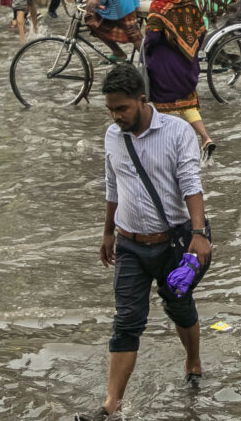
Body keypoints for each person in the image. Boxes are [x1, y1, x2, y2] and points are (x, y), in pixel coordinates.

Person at [74, 64, 212, 421]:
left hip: (173, 244)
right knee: (127, 322)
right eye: (111, 110)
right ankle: (111, 405)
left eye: (122, 108)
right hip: (129, 244)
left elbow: (191, 184)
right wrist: (107, 232)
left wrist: (199, 234)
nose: (116, 116)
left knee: (178, 305)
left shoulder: (178, 132)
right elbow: (112, 185)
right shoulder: (112, 135)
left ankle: (193, 359)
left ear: (142, 99)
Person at [144, 0, 214, 157]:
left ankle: (164, 149)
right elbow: (200, 32)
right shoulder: (190, 2)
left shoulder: (158, 6)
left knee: (162, 109)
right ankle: (205, 137)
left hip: (164, 69)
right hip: (187, 67)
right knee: (188, 105)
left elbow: (152, 39)